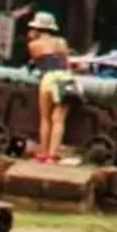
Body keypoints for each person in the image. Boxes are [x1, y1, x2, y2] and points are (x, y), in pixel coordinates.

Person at [25, 12, 74, 164]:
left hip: (47, 79)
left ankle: (43, 152)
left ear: (37, 28)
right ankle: (52, 156)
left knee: (45, 119)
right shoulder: (61, 42)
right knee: (58, 120)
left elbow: (36, 62)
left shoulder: (33, 45)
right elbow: (66, 64)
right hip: (63, 79)